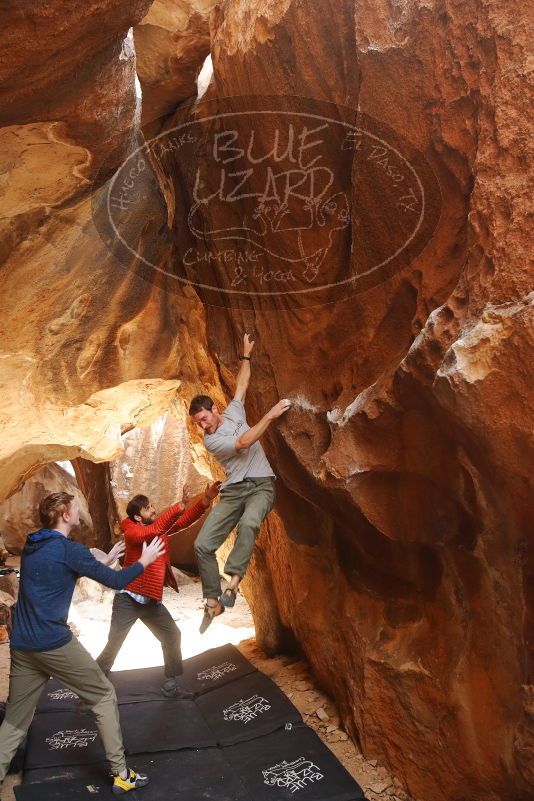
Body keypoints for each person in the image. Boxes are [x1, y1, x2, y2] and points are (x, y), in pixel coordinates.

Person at [0, 491, 165, 796]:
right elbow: (117, 582)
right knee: (103, 695)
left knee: (15, 720)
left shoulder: (32, 545)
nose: (78, 511)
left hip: (22, 644)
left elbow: (59, 571)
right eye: (75, 507)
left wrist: (104, 560)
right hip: (53, 643)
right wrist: (144, 560)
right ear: (65, 515)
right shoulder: (69, 550)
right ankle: (121, 774)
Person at [189, 333, 291, 632]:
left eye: (204, 419)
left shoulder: (233, 412)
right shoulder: (211, 442)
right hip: (234, 491)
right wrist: (270, 416)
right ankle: (212, 601)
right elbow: (244, 442)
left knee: (249, 524)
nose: (202, 426)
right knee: (202, 545)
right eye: (198, 423)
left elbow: (242, 386)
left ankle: (232, 585)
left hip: (261, 485)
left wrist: (246, 355)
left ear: (214, 410)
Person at [96, 483, 220, 697]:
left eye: (152, 506)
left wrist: (205, 500)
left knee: (172, 635)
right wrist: (180, 505)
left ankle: (171, 685)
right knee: (114, 644)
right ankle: (90, 688)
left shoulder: (157, 528)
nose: (153, 510)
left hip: (150, 600)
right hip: (128, 599)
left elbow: (183, 521)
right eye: (148, 508)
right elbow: (153, 531)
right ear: (137, 517)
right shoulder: (132, 531)